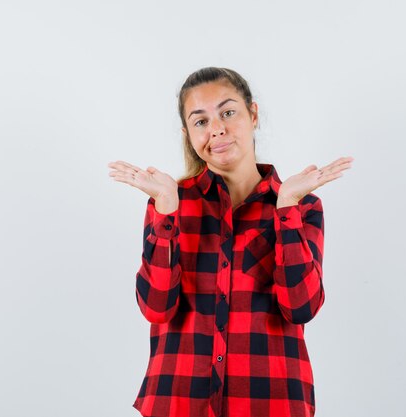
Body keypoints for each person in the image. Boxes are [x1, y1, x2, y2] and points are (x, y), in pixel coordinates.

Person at [108, 67, 354, 417]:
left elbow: (301, 308)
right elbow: (155, 308)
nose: (217, 129)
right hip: (179, 403)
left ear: (252, 114)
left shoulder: (302, 207)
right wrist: (165, 210)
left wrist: (285, 209)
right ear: (187, 134)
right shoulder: (170, 203)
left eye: (227, 112)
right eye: (200, 121)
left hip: (270, 403)